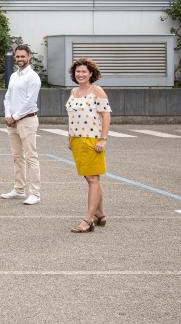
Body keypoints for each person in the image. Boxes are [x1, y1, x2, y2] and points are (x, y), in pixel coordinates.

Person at [66, 58, 111, 233]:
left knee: (93, 179)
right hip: (76, 140)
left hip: (92, 140)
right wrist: (69, 137)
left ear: (91, 73)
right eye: (78, 72)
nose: (81, 74)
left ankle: (88, 220)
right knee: (89, 178)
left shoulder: (97, 90)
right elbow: (71, 116)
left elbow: (106, 116)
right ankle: (100, 214)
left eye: (84, 71)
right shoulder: (74, 91)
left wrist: (103, 139)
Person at [1, 44, 42, 205]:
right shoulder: (14, 76)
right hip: (12, 121)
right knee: (17, 157)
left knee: (31, 157)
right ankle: (19, 189)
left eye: (22, 56)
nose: (19, 59)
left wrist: (15, 117)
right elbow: (7, 97)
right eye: (17, 57)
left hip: (27, 120)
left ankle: (35, 193)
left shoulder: (33, 77)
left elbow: (30, 102)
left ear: (29, 56)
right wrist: (7, 115)